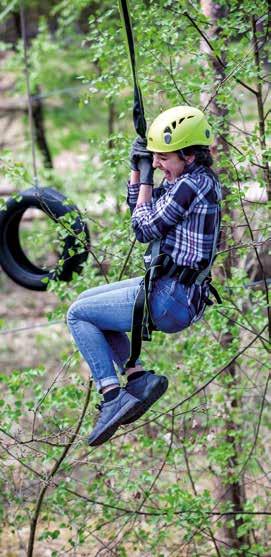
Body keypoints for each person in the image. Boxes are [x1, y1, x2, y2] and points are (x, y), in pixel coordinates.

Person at [67, 105, 222, 447]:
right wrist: (138, 172)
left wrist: (148, 179)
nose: (157, 164)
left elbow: (144, 227)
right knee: (85, 305)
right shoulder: (191, 181)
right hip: (171, 292)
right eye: (153, 158)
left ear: (189, 155)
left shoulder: (191, 187)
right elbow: (140, 204)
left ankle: (112, 396)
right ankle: (136, 377)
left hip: (170, 299)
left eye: (162, 157)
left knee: (78, 316)